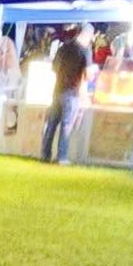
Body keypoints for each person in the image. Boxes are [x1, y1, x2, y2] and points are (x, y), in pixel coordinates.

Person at [40, 27, 87, 165]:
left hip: (57, 90)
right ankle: (62, 157)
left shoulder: (62, 48)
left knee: (51, 124)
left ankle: (45, 154)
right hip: (72, 92)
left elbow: (54, 68)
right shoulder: (84, 51)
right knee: (66, 126)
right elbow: (88, 74)